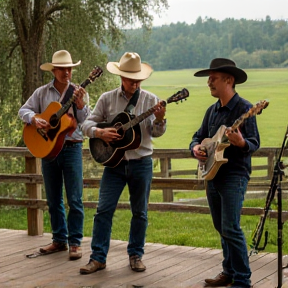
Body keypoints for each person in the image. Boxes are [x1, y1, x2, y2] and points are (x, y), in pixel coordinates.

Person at [79, 52, 166, 274]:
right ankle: (98, 258)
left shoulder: (151, 100)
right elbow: (85, 124)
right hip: (114, 164)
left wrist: (159, 119)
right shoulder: (107, 99)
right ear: (121, 77)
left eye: (138, 79)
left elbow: (156, 133)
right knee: (103, 210)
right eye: (130, 79)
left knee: (140, 213)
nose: (135, 84)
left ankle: (136, 255)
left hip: (141, 163)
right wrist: (100, 132)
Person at [189, 58, 260, 288]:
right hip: (212, 175)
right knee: (221, 227)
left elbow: (254, 143)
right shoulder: (212, 111)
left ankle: (242, 279)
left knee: (231, 227)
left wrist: (240, 142)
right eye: (209, 78)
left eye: (214, 78)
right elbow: (197, 137)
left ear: (229, 80)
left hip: (234, 176)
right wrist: (196, 149)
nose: (209, 82)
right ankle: (228, 271)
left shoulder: (245, 109)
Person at [18, 50, 89, 260]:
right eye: (62, 69)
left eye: (69, 68)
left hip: (72, 148)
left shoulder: (78, 92)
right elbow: (24, 110)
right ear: (54, 70)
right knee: (53, 198)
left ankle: (75, 242)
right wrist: (33, 119)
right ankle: (59, 240)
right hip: (48, 150)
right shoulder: (41, 92)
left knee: (75, 198)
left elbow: (86, 120)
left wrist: (80, 106)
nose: (66, 72)